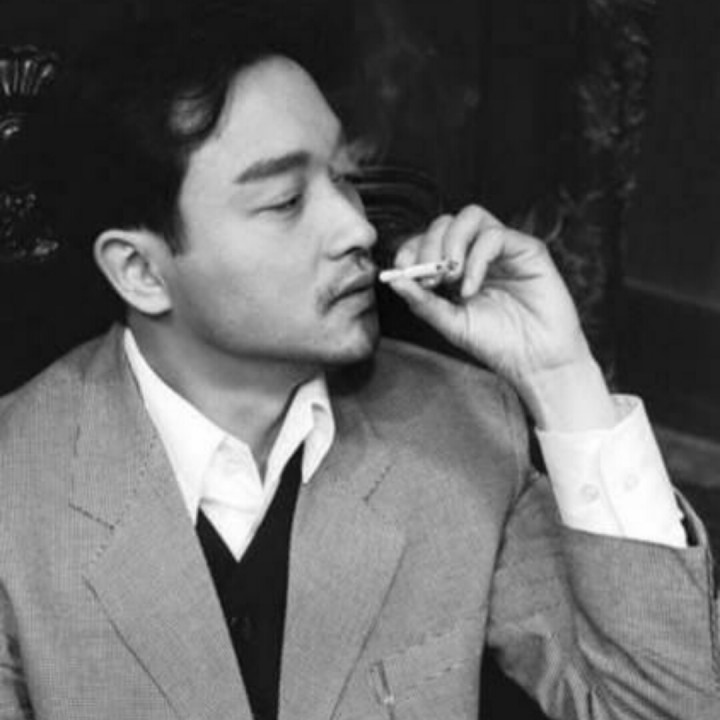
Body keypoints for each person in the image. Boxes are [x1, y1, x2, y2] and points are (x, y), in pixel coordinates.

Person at [0, 7, 717, 720]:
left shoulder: (463, 429)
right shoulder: (15, 492)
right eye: (285, 200)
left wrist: (561, 377)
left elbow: (668, 708)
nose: (358, 228)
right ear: (140, 271)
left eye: (345, 178)